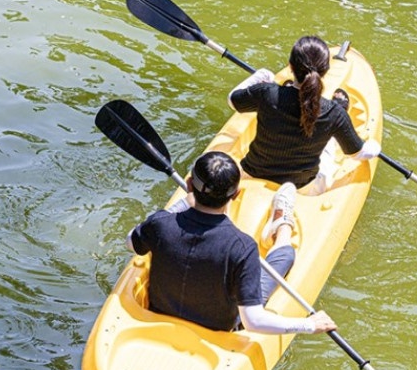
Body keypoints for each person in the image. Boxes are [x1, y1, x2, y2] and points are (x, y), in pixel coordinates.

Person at [126, 150, 337, 335]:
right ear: (235, 194)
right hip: (221, 328)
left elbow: (131, 243)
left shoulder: (160, 223)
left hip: (161, 314)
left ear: (189, 184)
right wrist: (308, 325)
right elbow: (252, 321)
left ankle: (281, 221)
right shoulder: (243, 247)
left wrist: (180, 205)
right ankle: (282, 225)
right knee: (286, 254)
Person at [228, 35, 381, 194]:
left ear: (290, 66)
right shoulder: (333, 114)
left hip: (252, 174)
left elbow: (233, 100)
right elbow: (360, 153)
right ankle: (339, 105)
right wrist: (375, 146)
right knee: (328, 142)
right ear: (326, 71)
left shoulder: (266, 93)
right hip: (303, 187)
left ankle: (289, 88)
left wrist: (261, 75)